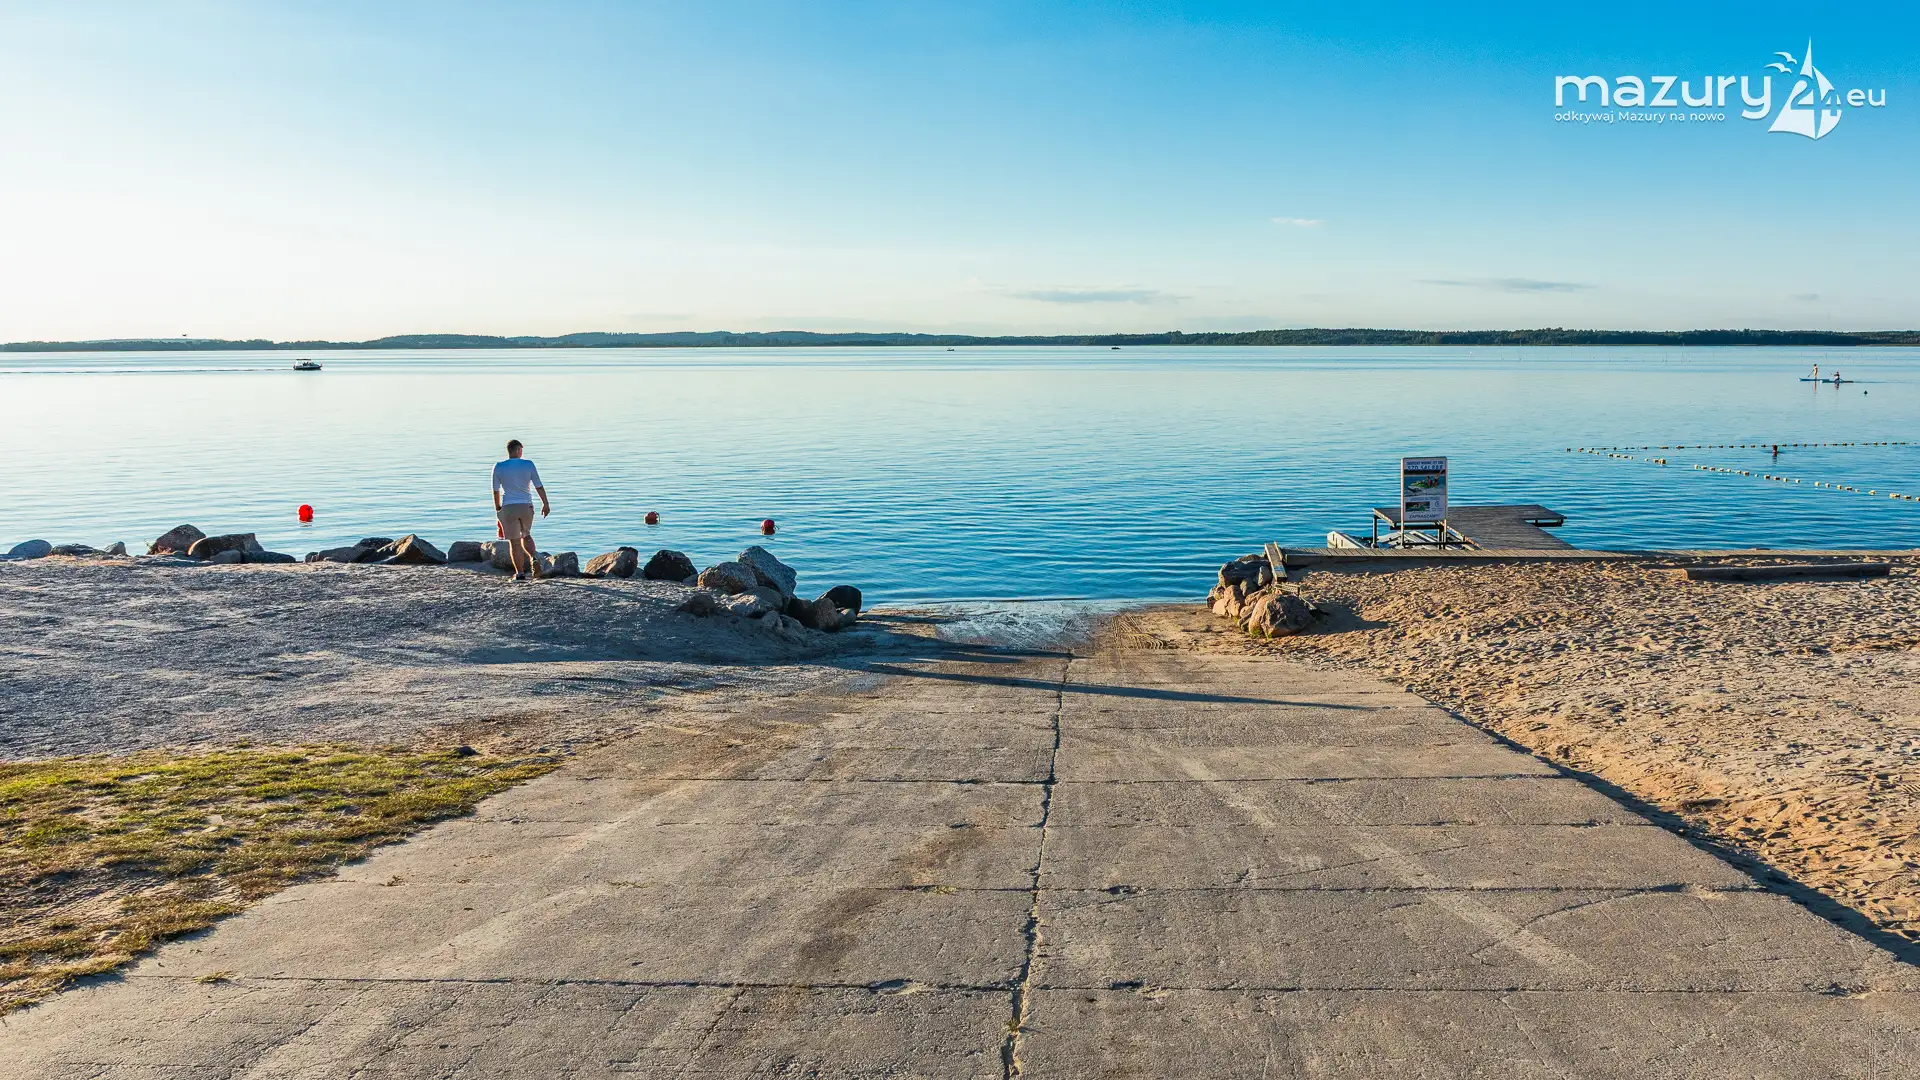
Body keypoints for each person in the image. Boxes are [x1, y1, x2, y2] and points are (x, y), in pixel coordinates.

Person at [491, 439, 550, 581]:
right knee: (526, 535)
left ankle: (520, 573)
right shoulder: (528, 464)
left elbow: (496, 490)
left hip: (509, 507)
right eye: (521, 450)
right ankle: (533, 557)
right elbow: (538, 486)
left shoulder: (499, 467)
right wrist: (545, 504)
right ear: (518, 450)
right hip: (526, 506)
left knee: (514, 542)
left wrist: (497, 507)